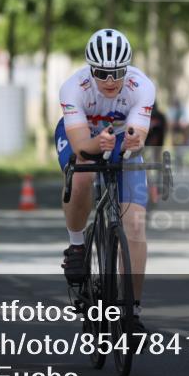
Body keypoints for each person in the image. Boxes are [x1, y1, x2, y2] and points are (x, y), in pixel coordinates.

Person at [55, 28, 154, 330]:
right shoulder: (74, 88)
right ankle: (77, 246)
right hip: (82, 136)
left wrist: (131, 142)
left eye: (117, 74)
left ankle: (132, 312)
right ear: (90, 68)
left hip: (122, 140)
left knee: (135, 223)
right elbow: (80, 144)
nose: (110, 82)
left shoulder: (142, 86)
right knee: (83, 174)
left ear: (127, 69)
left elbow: (139, 135)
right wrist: (95, 146)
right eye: (101, 73)